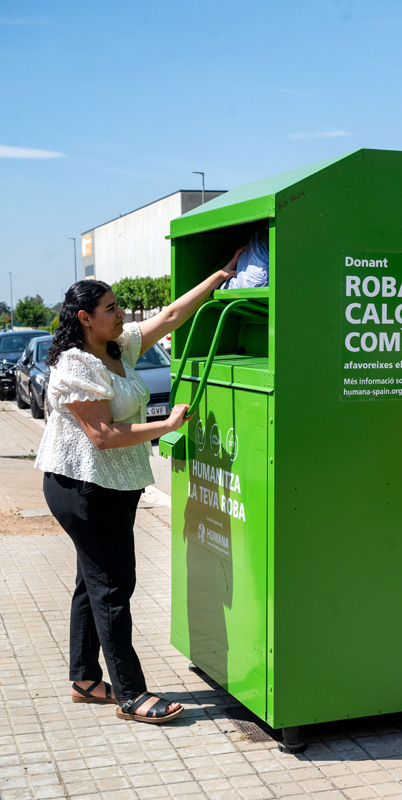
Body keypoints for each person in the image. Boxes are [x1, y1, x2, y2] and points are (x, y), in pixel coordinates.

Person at [35, 253, 240, 724]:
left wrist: (218, 277)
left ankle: (85, 680)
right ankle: (131, 694)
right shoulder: (76, 364)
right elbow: (102, 436)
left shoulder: (118, 348)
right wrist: (164, 424)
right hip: (82, 485)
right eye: (110, 308)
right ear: (85, 319)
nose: (121, 312)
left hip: (114, 484)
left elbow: (168, 317)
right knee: (113, 585)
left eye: (118, 305)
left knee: (93, 581)